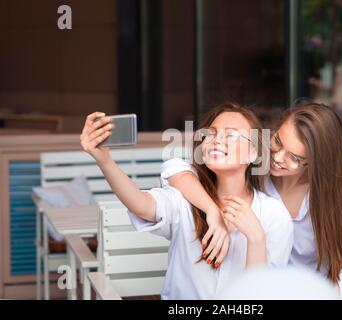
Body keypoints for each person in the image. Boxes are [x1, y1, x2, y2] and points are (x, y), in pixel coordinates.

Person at [79, 103, 293, 299]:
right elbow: (141, 204)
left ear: (253, 153)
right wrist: (105, 161)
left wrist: (256, 239)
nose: (216, 140)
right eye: (211, 134)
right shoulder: (185, 199)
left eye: (231, 136)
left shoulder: (273, 215)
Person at [161, 101, 342, 299]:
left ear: (316, 162)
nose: (277, 158)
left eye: (294, 158)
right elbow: (177, 169)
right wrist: (211, 209)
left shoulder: (333, 196)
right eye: (277, 141)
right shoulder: (254, 173)